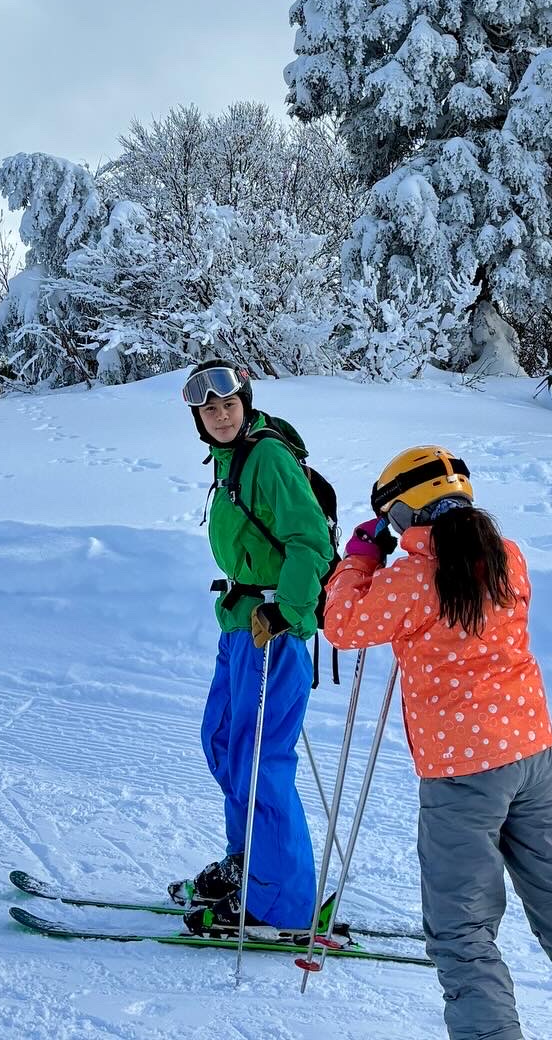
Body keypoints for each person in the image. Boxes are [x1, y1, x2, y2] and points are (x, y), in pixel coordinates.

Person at [322, 446, 552, 1040]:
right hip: (531, 755)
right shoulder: (509, 557)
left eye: (393, 517)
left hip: (461, 774)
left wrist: (360, 558)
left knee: (462, 932)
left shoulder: (412, 577)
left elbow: (343, 626)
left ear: (404, 514)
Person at [170, 359, 334, 936]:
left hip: (272, 629)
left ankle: (278, 902)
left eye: (228, 405)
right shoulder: (229, 461)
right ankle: (251, 865)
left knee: (262, 761)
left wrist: (286, 612)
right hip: (240, 624)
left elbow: (309, 541)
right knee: (225, 744)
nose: (220, 415)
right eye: (208, 409)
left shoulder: (266, 457)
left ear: (245, 404)